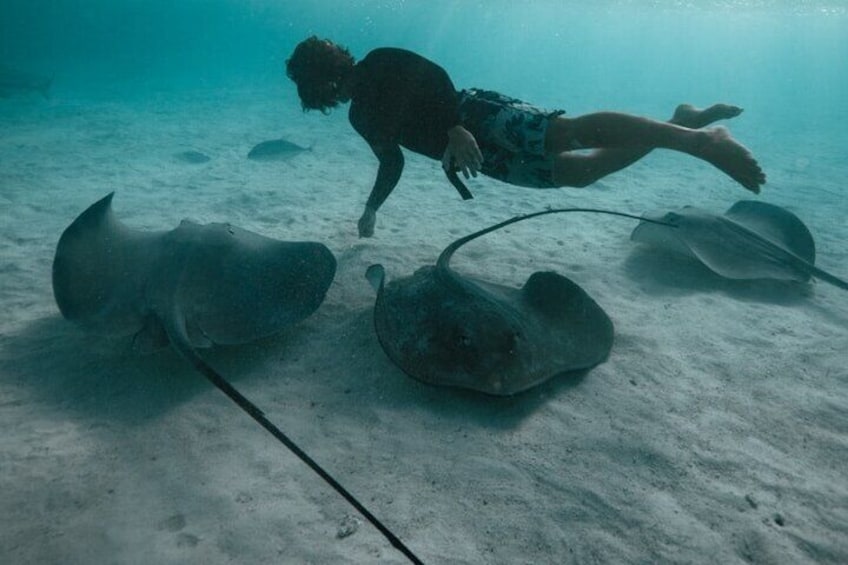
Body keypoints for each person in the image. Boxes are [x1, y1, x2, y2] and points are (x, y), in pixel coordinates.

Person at [285, 36, 766, 238]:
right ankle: (681, 122)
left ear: (319, 75)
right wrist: (372, 207)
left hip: (476, 116)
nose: (320, 91)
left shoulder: (380, 61)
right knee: (578, 174)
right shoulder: (359, 118)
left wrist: (455, 125)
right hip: (476, 156)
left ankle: (700, 142)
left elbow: (434, 77)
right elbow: (391, 161)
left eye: (312, 82)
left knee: (569, 134)